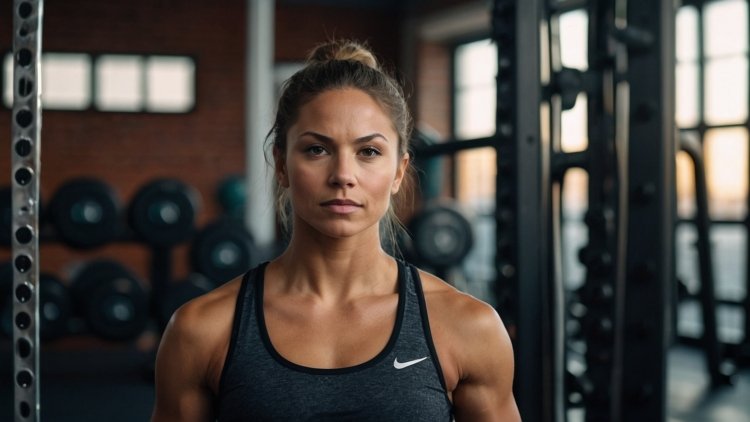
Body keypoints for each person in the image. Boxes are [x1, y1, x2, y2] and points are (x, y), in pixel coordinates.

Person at [151, 39, 520, 421]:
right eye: (316, 150)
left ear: (398, 171)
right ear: (281, 164)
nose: (343, 175)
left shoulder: (467, 327)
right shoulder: (202, 331)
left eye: (369, 152)